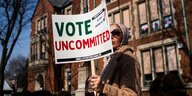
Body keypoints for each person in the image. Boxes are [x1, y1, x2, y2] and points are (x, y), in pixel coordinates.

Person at [86, 23, 141, 96]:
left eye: (115, 33)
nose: (111, 36)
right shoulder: (110, 59)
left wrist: (103, 88)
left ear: (123, 37)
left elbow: (131, 94)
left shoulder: (128, 59)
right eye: (107, 34)